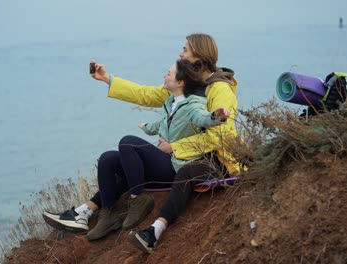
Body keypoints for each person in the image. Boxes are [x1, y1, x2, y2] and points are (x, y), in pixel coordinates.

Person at [42, 58, 230, 241]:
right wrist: (148, 126)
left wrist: (216, 116)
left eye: (169, 73)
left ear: (180, 82)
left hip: (174, 165)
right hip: (162, 159)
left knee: (128, 143)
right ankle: (107, 215)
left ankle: (138, 199)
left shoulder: (193, 105)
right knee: (108, 159)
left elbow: (203, 118)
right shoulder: (170, 102)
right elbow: (156, 115)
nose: (164, 75)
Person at [91, 33, 243, 253]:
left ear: (198, 57)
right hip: (181, 156)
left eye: (185, 50)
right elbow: (147, 94)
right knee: (112, 158)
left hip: (213, 159)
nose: (180, 53)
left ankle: (137, 207)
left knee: (131, 146)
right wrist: (108, 79)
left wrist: (174, 147)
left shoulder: (219, 89)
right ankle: (99, 211)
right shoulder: (187, 84)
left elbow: (220, 136)